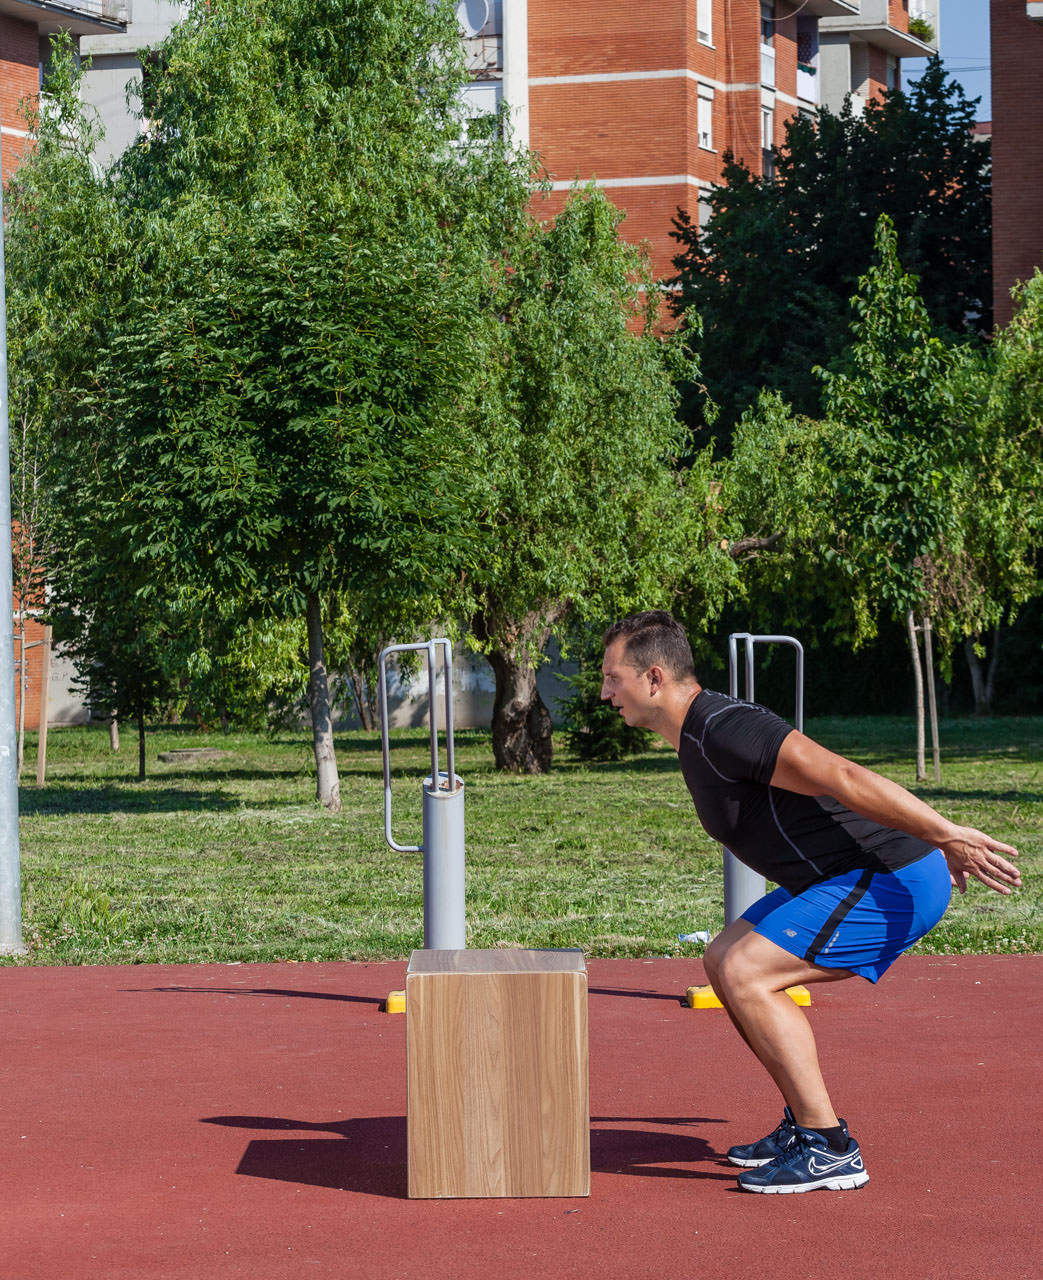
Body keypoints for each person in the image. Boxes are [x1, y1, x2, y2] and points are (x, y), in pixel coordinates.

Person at [600, 610, 1021, 1195]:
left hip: (890, 878)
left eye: (611, 677)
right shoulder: (696, 734)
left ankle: (829, 1147)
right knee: (723, 957)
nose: (604, 692)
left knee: (747, 972)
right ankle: (804, 1126)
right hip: (850, 877)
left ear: (652, 678)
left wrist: (945, 834)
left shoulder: (723, 726)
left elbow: (841, 774)